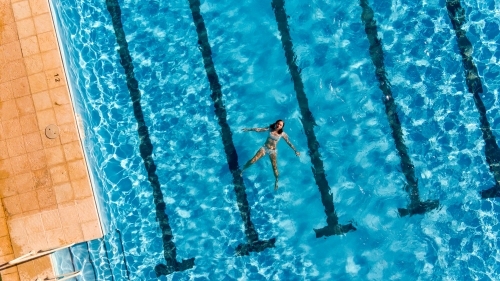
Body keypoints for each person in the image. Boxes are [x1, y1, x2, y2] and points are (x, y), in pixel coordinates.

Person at [241, 120, 300, 190]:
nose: (278, 125)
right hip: (264, 148)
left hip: (273, 151)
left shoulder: (282, 134)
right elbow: (259, 130)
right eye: (278, 123)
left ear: (282, 127)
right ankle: (242, 170)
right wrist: (249, 129)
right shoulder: (270, 128)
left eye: (280, 125)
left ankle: (276, 181)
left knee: (274, 167)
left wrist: (295, 150)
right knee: (253, 160)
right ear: (275, 123)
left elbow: (289, 143)